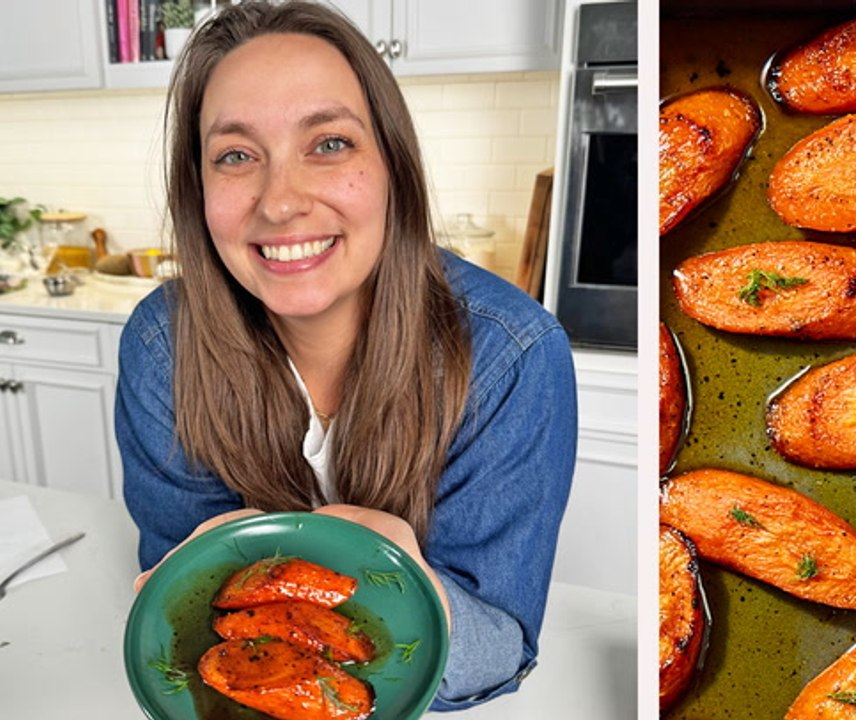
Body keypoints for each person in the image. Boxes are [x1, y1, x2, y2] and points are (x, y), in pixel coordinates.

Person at [115, 1, 577, 710]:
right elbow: (180, 624)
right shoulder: (161, 344)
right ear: (197, 190)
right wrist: (192, 573)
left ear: (392, 163)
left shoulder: (512, 356)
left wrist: (414, 583)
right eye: (236, 156)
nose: (280, 203)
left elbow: (501, 647)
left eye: (328, 143)